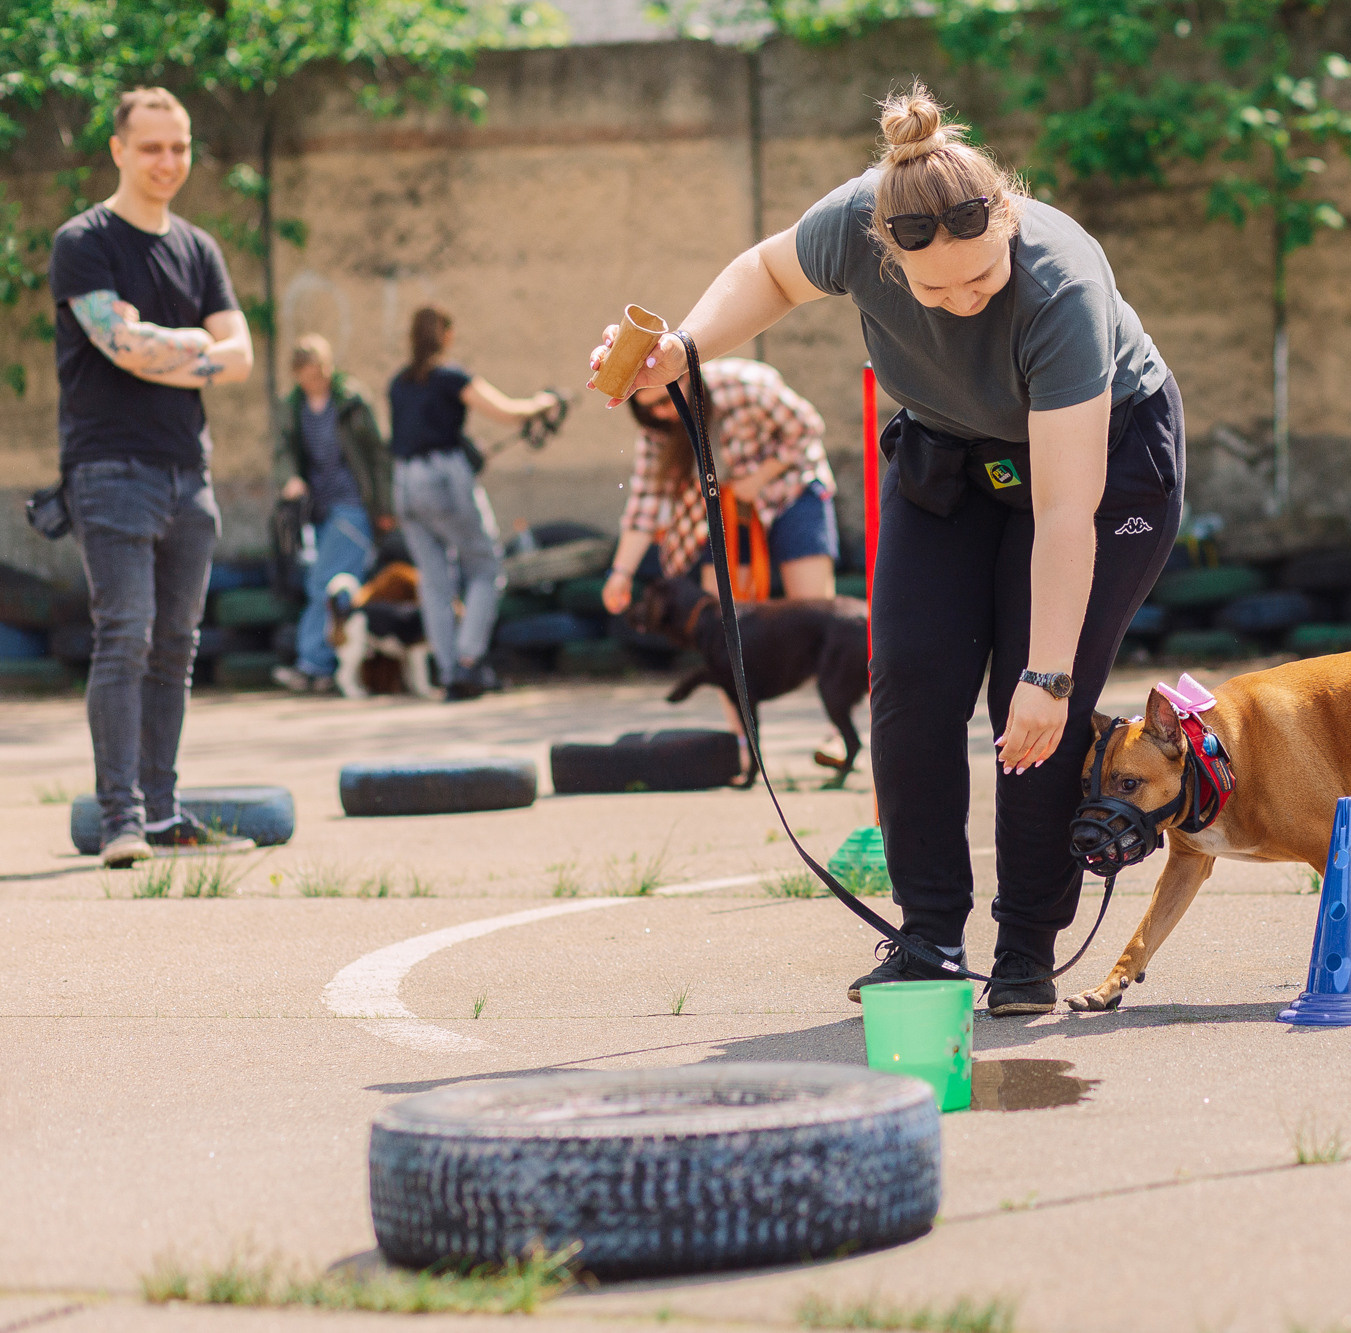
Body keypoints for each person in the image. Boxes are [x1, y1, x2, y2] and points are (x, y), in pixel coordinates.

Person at [588, 83, 1182, 1016]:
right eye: (934, 287)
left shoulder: (1062, 285)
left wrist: (1051, 676)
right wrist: (688, 348)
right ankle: (929, 935)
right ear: (886, 254)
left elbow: (1067, 511)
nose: (961, 301)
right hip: (949, 452)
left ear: (1009, 221)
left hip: (1097, 466)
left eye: (982, 278)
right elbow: (770, 273)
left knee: (1025, 706)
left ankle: (1027, 945)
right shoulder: (856, 222)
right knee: (909, 678)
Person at [50, 87, 257, 869]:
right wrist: (192, 348)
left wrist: (158, 342)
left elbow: (239, 358)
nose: (167, 162)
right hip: (109, 471)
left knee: (177, 645)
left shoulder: (199, 249)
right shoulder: (85, 241)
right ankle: (120, 822)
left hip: (187, 474)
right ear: (118, 151)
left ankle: (163, 814)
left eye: (180, 146)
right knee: (125, 635)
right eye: (151, 147)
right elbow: (120, 346)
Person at [386, 306, 559, 701]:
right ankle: (468, 662)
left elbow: (410, 433)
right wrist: (542, 402)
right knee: (484, 566)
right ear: (445, 334)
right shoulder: (450, 376)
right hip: (442, 478)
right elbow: (506, 411)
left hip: (405, 483)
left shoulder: (398, 383)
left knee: (434, 581)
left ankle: (447, 670)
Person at [600, 362, 838, 615]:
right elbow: (645, 500)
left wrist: (760, 476)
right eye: (647, 408)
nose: (660, 412)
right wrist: (621, 573)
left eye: (665, 400)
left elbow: (808, 427)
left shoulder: (744, 384)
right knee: (723, 617)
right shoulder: (657, 428)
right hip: (728, 510)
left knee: (814, 612)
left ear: (686, 380)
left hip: (792, 490)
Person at [272, 334, 392, 693]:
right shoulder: (293, 406)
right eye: (309, 375)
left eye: (322, 372)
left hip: (352, 503)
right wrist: (290, 479)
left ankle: (315, 664)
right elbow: (284, 452)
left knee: (323, 583)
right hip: (318, 508)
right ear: (297, 376)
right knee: (332, 587)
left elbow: (378, 456)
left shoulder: (352, 400)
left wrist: (384, 508)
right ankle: (329, 666)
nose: (317, 380)